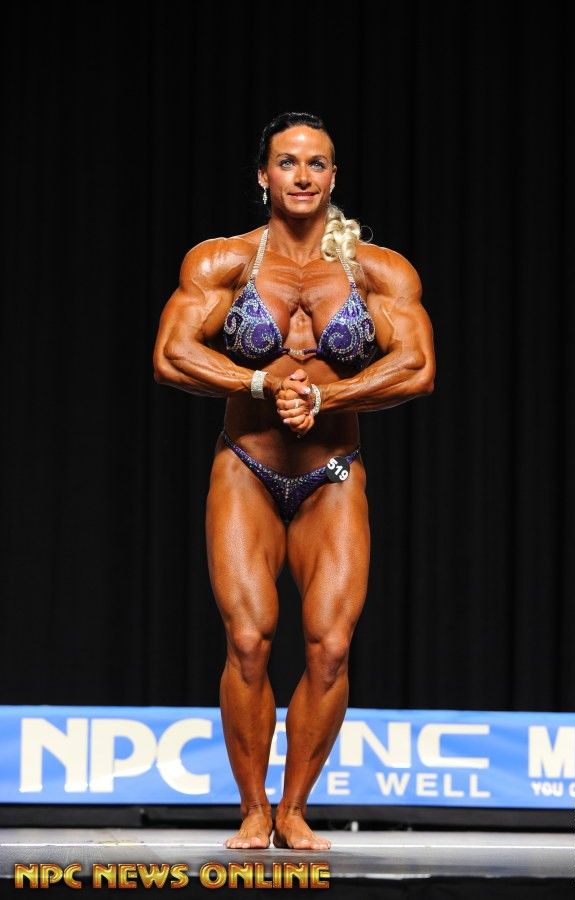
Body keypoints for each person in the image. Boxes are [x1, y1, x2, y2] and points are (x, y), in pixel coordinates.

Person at [153, 111, 435, 850]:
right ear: (263, 175)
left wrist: (328, 397)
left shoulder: (378, 271)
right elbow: (172, 354)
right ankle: (253, 808)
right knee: (249, 640)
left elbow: (416, 366)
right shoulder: (223, 262)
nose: (302, 176)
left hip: (332, 474)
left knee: (330, 646)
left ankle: (294, 808)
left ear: (334, 177)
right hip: (246, 468)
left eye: (316, 163)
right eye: (287, 162)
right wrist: (259, 382)